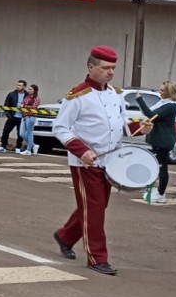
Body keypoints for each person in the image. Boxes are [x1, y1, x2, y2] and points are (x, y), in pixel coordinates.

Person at [51, 45, 153, 275]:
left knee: (95, 206)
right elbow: (61, 127)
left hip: (110, 161)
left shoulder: (116, 94)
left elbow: (120, 125)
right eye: (106, 68)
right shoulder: (77, 95)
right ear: (91, 67)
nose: (110, 72)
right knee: (95, 209)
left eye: (113, 68)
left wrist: (140, 127)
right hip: (86, 162)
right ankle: (97, 257)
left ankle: (65, 236)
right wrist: (81, 150)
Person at [137, 81, 176, 204]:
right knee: (156, 165)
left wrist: (140, 100)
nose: (159, 92)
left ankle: (161, 193)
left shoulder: (171, 105)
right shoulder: (162, 103)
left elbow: (151, 115)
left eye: (162, 90)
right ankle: (157, 190)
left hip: (163, 140)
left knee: (162, 167)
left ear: (169, 92)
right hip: (157, 138)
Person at [0, 79, 27, 153]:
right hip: (12, 116)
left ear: (24, 87)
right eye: (17, 85)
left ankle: (18, 147)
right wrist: (9, 115)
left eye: (20, 85)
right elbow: (6, 106)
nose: (18, 86)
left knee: (20, 133)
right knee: (6, 131)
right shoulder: (11, 94)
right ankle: (3, 146)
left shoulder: (27, 96)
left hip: (22, 118)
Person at [19, 84, 41, 155]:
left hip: (31, 117)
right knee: (22, 133)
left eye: (31, 89)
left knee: (29, 132)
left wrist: (24, 106)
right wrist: (22, 106)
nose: (29, 90)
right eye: (29, 89)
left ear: (35, 90)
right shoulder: (27, 97)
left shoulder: (37, 98)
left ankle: (28, 150)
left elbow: (34, 107)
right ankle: (33, 145)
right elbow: (22, 104)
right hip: (24, 116)